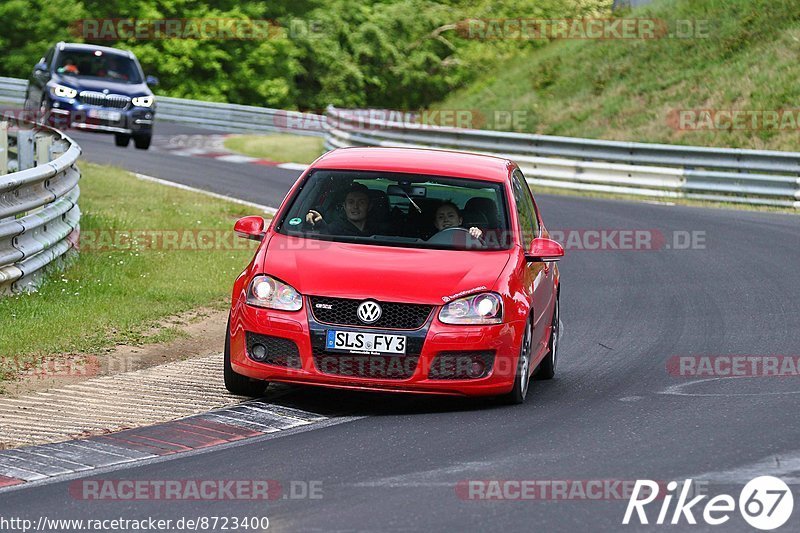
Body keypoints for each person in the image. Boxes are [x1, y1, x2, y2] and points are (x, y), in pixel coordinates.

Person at [305, 183, 384, 237]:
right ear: (344, 206)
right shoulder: (334, 230)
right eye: (351, 202)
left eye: (361, 202)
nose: (355, 206)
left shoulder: (381, 231)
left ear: (369, 206)